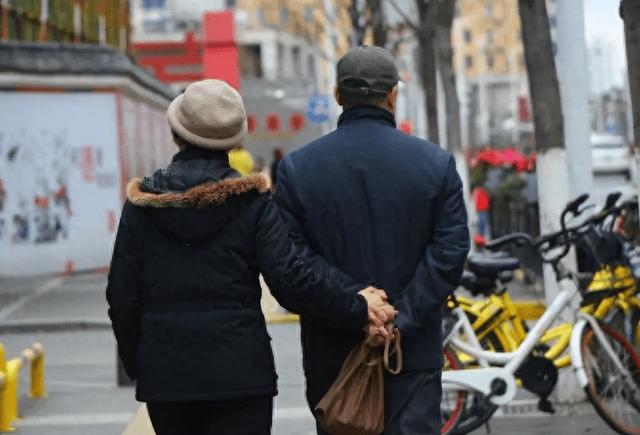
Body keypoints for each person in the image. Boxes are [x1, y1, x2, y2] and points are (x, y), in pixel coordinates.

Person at [106, 79, 395, 435]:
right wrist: (356, 306)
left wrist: (143, 362)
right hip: (240, 373)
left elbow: (121, 295)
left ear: (176, 133)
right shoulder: (253, 205)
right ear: (235, 140)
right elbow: (290, 281)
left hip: (168, 377)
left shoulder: (142, 207)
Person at [274, 46, 470, 435]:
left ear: (337, 96)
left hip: (335, 357)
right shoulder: (435, 164)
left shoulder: (298, 169)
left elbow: (289, 264)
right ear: (393, 95)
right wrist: (400, 318)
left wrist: (358, 306)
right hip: (410, 354)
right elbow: (449, 254)